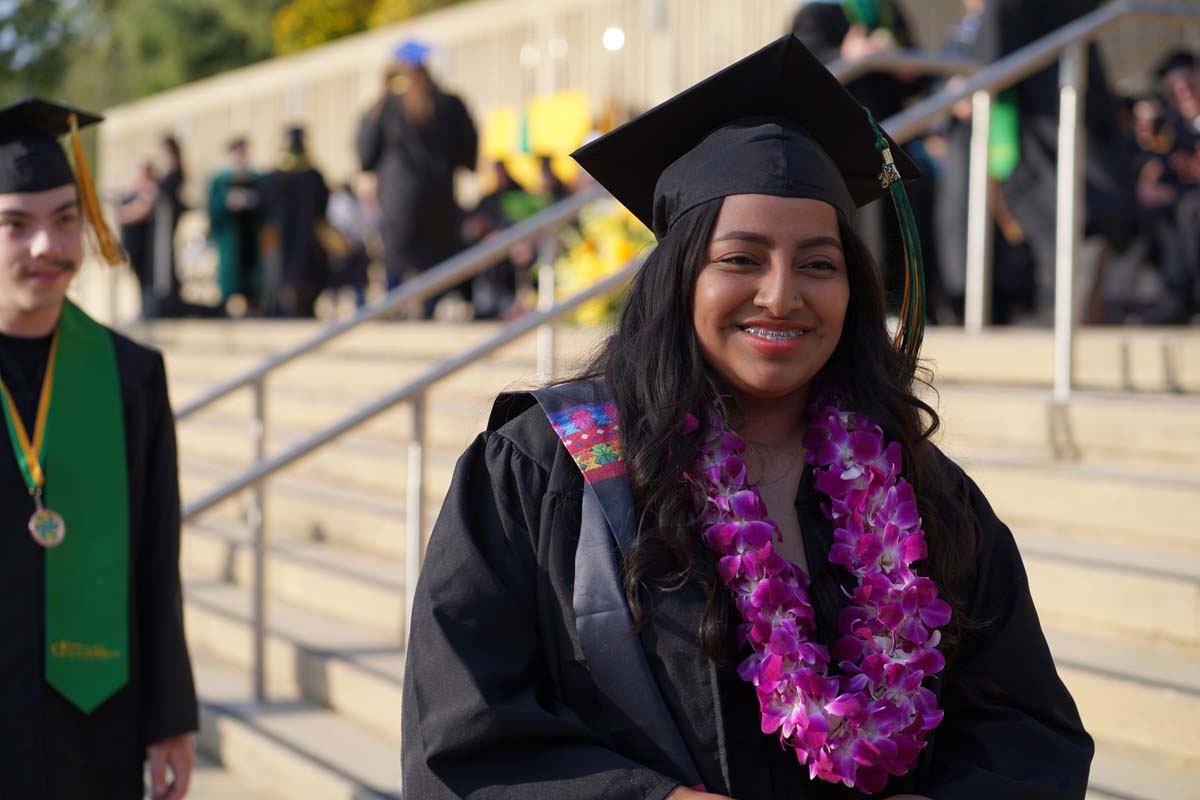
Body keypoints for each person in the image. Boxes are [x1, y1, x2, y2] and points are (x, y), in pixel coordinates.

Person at [401, 35, 1092, 799]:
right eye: (741, 259)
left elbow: (1026, 727)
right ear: (681, 278)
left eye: (819, 264)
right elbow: (461, 737)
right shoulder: (544, 470)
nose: (781, 294)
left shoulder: (926, 495)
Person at [0, 98, 198, 798]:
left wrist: (170, 716)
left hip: (89, 718)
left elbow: (155, 556)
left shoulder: (129, 375)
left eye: (64, 220)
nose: (46, 248)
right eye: (14, 225)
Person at [356, 39, 478, 317]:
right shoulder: (449, 102)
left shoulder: (384, 106)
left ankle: (395, 306)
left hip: (398, 196)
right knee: (435, 256)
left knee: (397, 257)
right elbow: (467, 148)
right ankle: (429, 307)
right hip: (439, 193)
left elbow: (366, 153)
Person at [262, 126, 330, 318]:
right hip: (305, 235)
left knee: (287, 272)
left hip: (286, 233)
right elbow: (322, 205)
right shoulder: (313, 175)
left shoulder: (275, 176)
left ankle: (287, 304)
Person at [207, 137, 266, 313]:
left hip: (251, 234)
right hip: (230, 235)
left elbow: (266, 204)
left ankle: (253, 303)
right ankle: (226, 304)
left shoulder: (256, 178)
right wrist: (227, 202)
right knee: (230, 272)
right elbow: (212, 207)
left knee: (252, 275)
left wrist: (254, 201)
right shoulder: (220, 180)